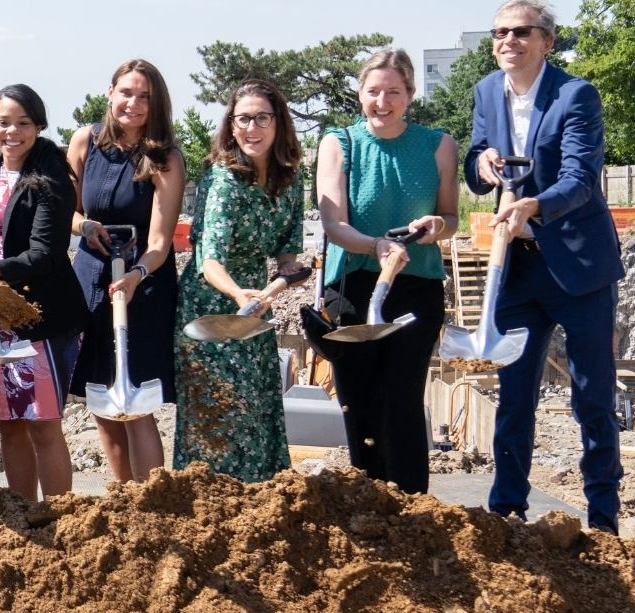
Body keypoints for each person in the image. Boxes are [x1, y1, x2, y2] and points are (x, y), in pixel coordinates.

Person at [466, 0, 626, 533]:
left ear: (546, 41)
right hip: (518, 269)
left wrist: (534, 205)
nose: (507, 41)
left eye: (520, 32)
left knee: (592, 396)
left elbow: (581, 179)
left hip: (578, 269)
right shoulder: (486, 91)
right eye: (498, 33)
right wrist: (482, 165)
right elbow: (475, 161)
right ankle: (507, 510)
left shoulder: (575, 94)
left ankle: (603, 518)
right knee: (514, 395)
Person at [312, 52, 458, 494]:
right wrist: (375, 245)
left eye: (393, 91)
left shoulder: (439, 145)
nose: (382, 100)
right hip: (353, 285)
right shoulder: (340, 143)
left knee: (402, 396)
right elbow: (334, 224)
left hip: (416, 285)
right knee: (358, 398)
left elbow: (450, 217)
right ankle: (369, 498)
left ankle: (411, 502)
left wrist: (436, 229)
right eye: (373, 91)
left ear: (410, 95)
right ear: (359, 93)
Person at [0, 85, 86, 501]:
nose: (12, 132)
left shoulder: (51, 175)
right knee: (8, 421)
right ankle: (24, 509)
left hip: (35, 315)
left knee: (43, 421)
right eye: (3, 123)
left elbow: (46, 252)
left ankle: (59, 516)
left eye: (23, 124)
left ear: (39, 126)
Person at [174, 80, 309, 482]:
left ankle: (257, 510)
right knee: (217, 415)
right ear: (231, 127)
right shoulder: (222, 180)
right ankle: (208, 512)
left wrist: (290, 274)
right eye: (243, 119)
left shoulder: (290, 178)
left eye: (262, 118)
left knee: (257, 408)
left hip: (254, 310)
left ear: (278, 123)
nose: (253, 128)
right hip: (210, 311)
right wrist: (238, 294)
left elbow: (287, 255)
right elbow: (208, 259)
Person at [67, 59, 186, 484]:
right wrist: (85, 226)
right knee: (101, 397)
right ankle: (120, 495)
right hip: (91, 279)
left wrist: (136, 274)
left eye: (145, 97)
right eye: (127, 93)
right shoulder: (84, 142)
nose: (133, 104)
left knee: (136, 405)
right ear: (110, 92)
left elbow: (159, 241)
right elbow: (67, 210)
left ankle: (150, 503)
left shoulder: (164, 158)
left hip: (143, 285)